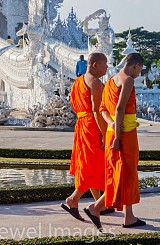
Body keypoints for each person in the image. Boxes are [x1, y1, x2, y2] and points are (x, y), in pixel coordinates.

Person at [83, 53, 146, 230]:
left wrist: (112, 126)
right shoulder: (128, 80)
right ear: (135, 65)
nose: (139, 73)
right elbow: (119, 109)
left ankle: (129, 216)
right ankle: (95, 208)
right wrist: (118, 136)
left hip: (114, 130)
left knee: (121, 173)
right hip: (124, 134)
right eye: (140, 69)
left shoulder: (111, 81)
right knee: (127, 172)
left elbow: (103, 109)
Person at [61, 52, 114, 221]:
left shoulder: (78, 82)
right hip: (92, 126)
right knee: (95, 164)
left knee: (89, 164)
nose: (107, 67)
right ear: (95, 65)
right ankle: (74, 199)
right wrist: (105, 134)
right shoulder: (96, 83)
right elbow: (98, 111)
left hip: (82, 124)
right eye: (105, 64)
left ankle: (99, 203)